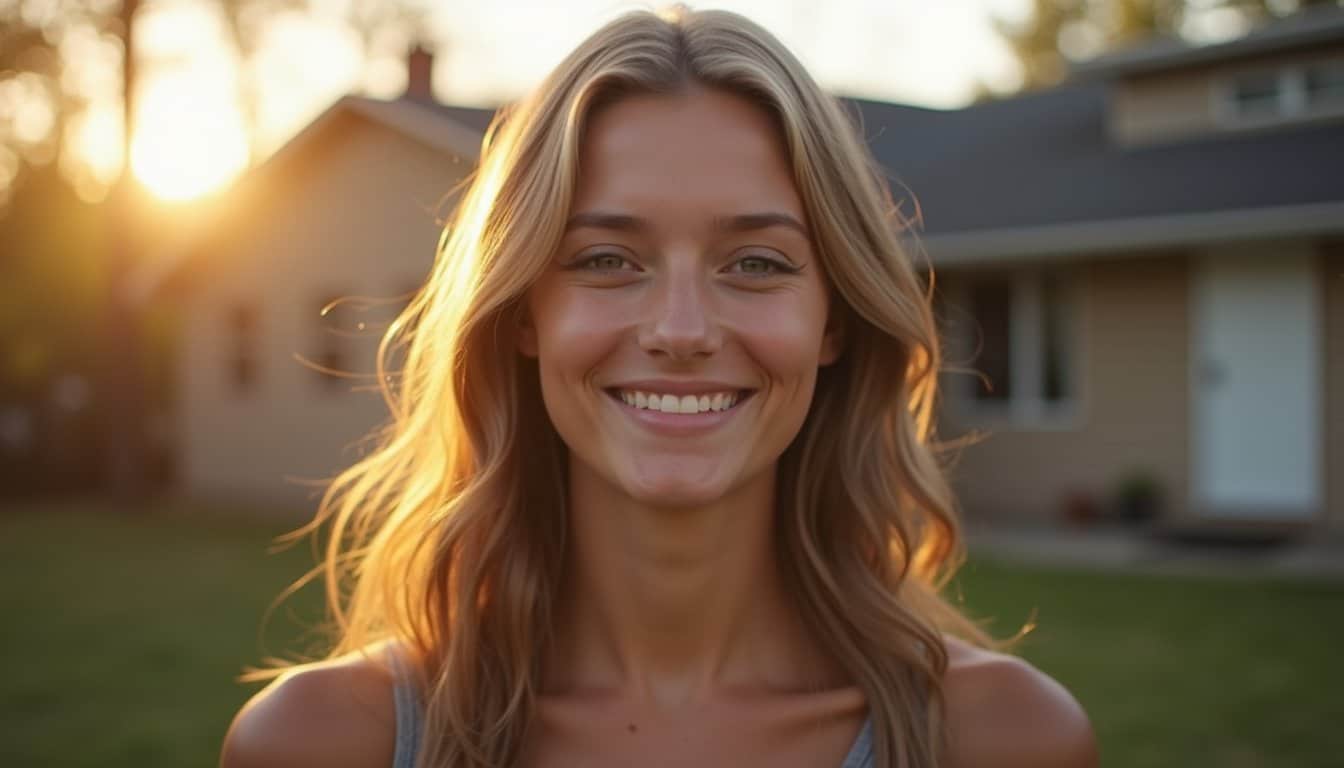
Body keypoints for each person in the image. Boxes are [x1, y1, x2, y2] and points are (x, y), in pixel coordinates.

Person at [220, 6, 1096, 768]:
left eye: (756, 263)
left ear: (835, 322)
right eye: (607, 259)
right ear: (523, 314)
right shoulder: (327, 743)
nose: (681, 331)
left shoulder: (1001, 740)